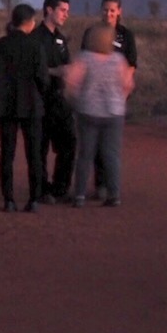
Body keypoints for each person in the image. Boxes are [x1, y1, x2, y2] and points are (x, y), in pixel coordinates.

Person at [67, 23, 135, 208]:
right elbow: (128, 84)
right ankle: (114, 195)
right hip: (113, 113)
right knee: (111, 155)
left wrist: (76, 99)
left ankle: (79, 195)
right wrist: (119, 99)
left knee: (85, 154)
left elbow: (72, 81)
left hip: (88, 111)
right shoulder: (118, 60)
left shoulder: (85, 58)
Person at [0, 4, 48, 213]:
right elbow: (42, 78)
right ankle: (34, 199)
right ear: (30, 22)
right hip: (31, 105)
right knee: (34, 153)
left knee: (7, 153)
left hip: (6, 105)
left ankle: (9, 199)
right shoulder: (35, 46)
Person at [81, 0, 137, 200]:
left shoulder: (126, 36)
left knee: (110, 147)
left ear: (119, 12)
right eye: (105, 9)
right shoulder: (91, 32)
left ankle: (111, 187)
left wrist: (124, 94)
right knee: (92, 146)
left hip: (116, 97)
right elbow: (83, 62)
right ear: (101, 10)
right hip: (93, 97)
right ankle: (100, 185)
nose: (109, 13)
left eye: (112, 10)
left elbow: (131, 66)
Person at [32, 0, 76, 203]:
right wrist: (54, 71)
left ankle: (60, 187)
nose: (66, 14)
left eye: (67, 11)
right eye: (62, 10)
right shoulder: (35, 38)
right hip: (40, 99)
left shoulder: (61, 39)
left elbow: (66, 65)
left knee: (69, 142)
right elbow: (32, 69)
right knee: (40, 147)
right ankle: (41, 189)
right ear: (49, 10)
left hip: (60, 99)